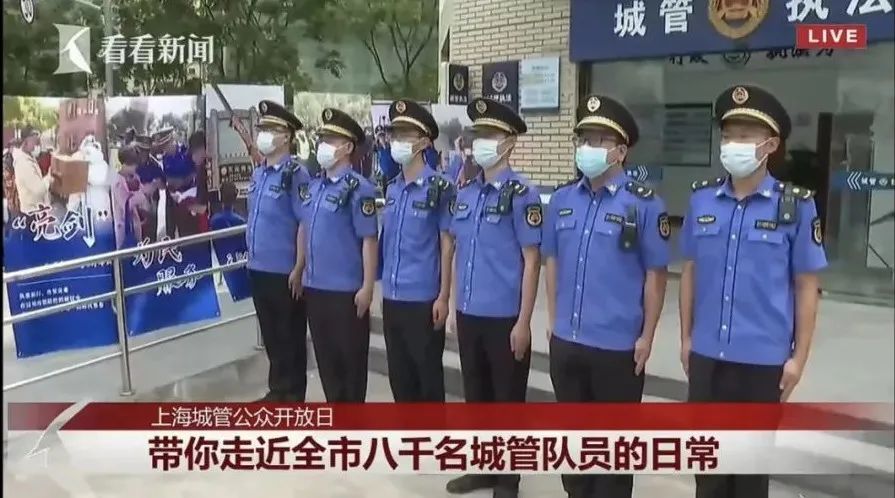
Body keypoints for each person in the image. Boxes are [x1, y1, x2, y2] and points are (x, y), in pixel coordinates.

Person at [679, 85, 827, 498]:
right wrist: (687, 338)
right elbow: (690, 271)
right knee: (708, 472)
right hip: (707, 356)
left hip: (763, 364)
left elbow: (806, 285)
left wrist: (798, 358)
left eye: (745, 135)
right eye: (728, 134)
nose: (733, 144)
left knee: (748, 478)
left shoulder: (796, 206)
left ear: (770, 144)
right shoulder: (702, 200)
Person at [543, 95, 670, 498]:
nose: (589, 147)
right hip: (568, 341)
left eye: (600, 139)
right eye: (584, 138)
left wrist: (647, 336)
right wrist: (553, 320)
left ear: (621, 150)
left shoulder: (645, 205)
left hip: (617, 347)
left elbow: (655, 275)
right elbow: (552, 261)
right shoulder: (562, 200)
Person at [445, 98, 542, 498]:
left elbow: (532, 261)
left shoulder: (523, 195)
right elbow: (457, 252)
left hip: (505, 317)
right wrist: (454, 306)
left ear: (509, 142)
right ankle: (483, 468)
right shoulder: (467, 194)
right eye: (478, 134)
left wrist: (524, 322)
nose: (480, 142)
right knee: (477, 398)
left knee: (507, 401)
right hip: (470, 312)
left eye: (490, 135)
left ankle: (508, 479)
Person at [296, 107, 378, 402]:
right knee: (327, 367)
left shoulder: (358, 189)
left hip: (346, 293)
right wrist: (299, 268)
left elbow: (369, 239)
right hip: (315, 288)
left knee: (350, 371)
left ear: (347, 147)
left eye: (331, 140)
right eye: (323, 139)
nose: (324, 145)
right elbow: (304, 227)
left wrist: (367, 287)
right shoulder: (314, 187)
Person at [380, 100, 454, 402]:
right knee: (400, 381)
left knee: (428, 384)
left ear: (424, 141)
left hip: (423, 300)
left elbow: (447, 245)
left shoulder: (440, 188)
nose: (396, 141)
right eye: (394, 134)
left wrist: (444, 296)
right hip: (392, 297)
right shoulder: (392, 188)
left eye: (405, 134)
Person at [244, 100, 311, 402]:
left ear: (286, 136)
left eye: (271, 129)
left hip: (284, 270)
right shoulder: (260, 173)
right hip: (258, 266)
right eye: (262, 128)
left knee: (289, 336)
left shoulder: (296, 174)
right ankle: (277, 391)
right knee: (271, 334)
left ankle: (292, 396)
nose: (264, 134)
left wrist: (299, 266)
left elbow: (304, 222)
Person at [111, 145, 152, 248]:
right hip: (123, 227)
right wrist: (142, 194)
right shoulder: (117, 181)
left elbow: (141, 190)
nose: (135, 167)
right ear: (125, 164)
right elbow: (125, 204)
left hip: (135, 224)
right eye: (133, 165)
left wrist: (147, 189)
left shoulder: (134, 177)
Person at [11, 125, 56, 214]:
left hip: (38, 210)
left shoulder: (29, 158)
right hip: (32, 212)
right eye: (34, 141)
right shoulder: (23, 162)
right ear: (26, 141)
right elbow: (38, 190)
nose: (37, 145)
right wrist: (49, 177)